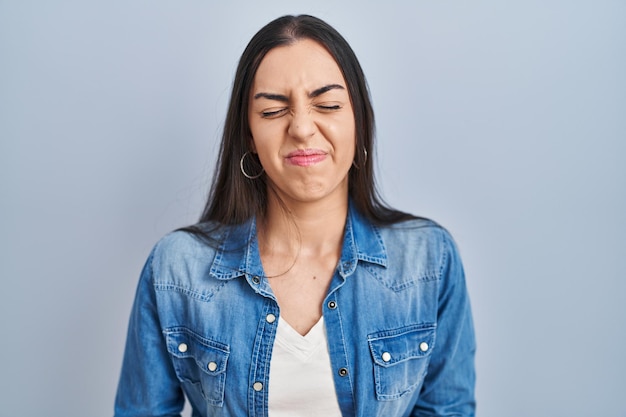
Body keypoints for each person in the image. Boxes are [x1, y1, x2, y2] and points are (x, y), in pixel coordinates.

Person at [114, 14, 475, 417]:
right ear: (248, 135)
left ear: (358, 122)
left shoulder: (428, 260)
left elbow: (447, 409)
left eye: (328, 105)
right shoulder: (177, 267)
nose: (302, 128)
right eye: (272, 112)